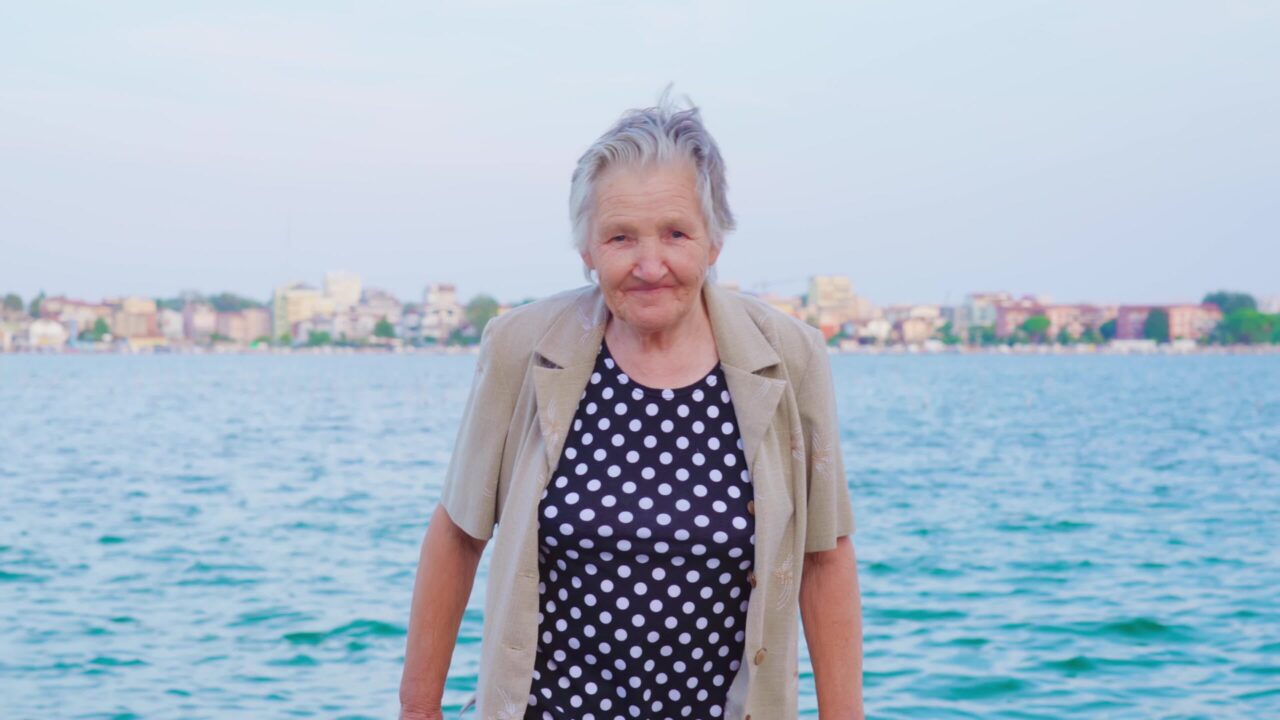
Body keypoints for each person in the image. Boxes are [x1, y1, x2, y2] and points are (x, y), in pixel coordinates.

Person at [400, 92, 863, 720]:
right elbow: (457, 535)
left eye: (676, 233)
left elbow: (823, 557)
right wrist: (417, 709)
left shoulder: (790, 356)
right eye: (620, 238)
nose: (651, 265)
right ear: (587, 249)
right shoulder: (520, 348)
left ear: (714, 240)